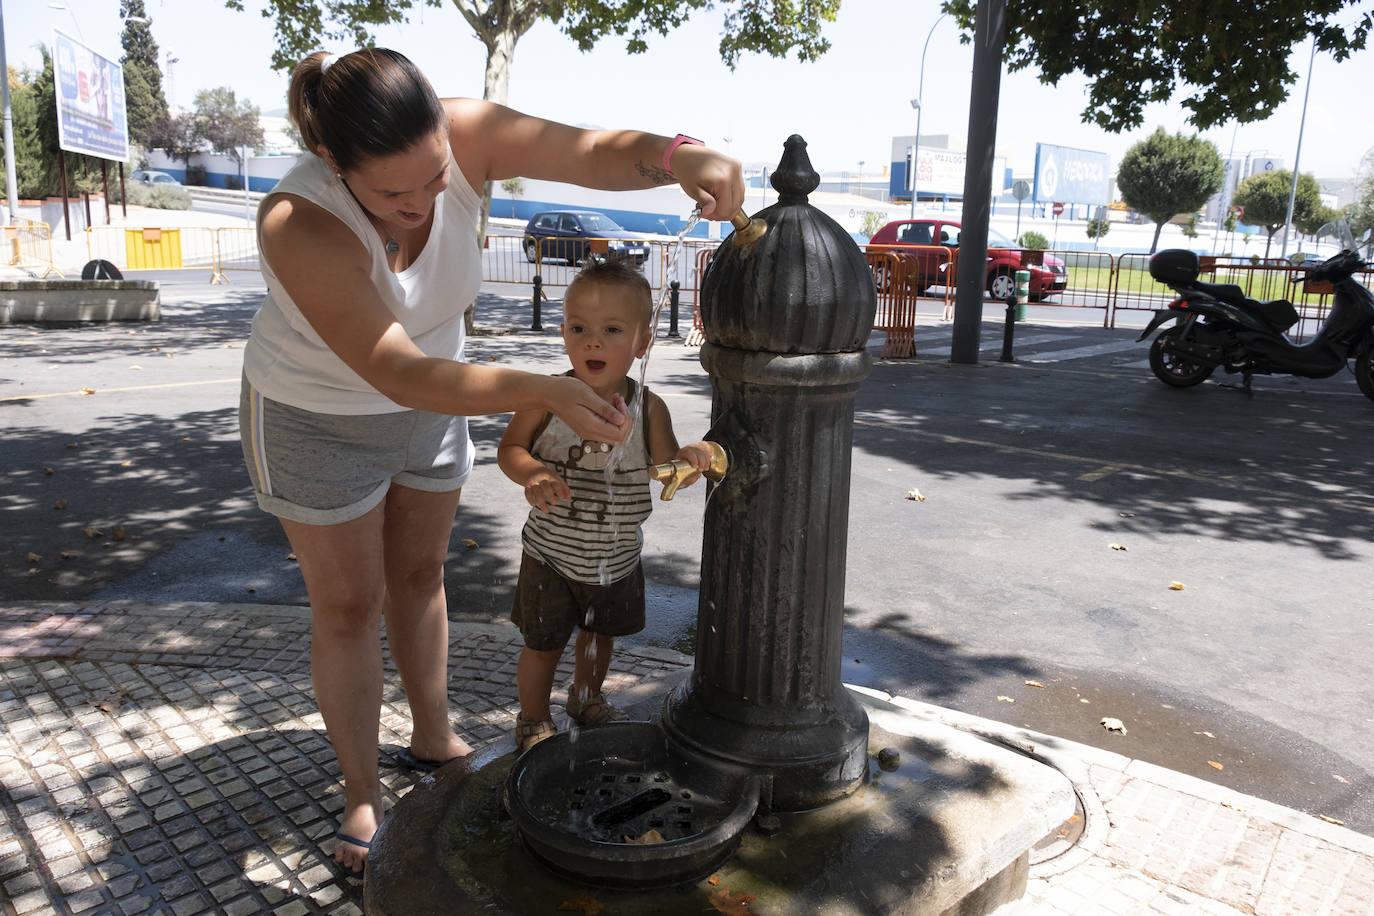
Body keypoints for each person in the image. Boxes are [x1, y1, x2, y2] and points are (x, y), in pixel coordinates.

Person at [236, 46, 743, 877]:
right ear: (332, 161)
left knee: (419, 573)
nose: (420, 206)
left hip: (439, 398)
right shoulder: (298, 220)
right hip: (317, 416)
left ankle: (433, 736)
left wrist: (677, 155)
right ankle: (361, 791)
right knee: (349, 605)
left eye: (435, 178)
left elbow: (590, 151)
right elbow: (393, 367)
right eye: (391, 195)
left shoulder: (468, 132)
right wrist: (540, 389)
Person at [496, 257, 713, 752]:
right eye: (579, 328)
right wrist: (532, 473)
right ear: (564, 333)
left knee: (599, 637)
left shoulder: (648, 407)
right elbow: (510, 449)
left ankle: (586, 698)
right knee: (542, 645)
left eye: (612, 330)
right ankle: (532, 719)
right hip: (550, 554)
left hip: (616, 558)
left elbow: (667, 466)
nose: (592, 342)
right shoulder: (545, 398)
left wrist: (692, 457)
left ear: (642, 342)